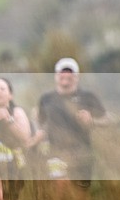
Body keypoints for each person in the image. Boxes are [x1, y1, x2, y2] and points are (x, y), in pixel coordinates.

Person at [31, 58, 108, 188]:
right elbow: (38, 121)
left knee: (80, 196)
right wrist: (38, 131)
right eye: (62, 72)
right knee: (61, 188)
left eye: (70, 72)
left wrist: (91, 121)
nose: (65, 75)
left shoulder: (87, 97)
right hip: (55, 152)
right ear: (56, 76)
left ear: (77, 77)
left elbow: (107, 120)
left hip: (82, 154)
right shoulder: (46, 98)